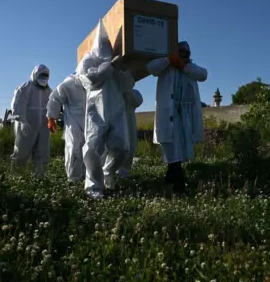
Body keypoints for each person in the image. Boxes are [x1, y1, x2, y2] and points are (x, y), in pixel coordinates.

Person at [77, 19, 134, 199]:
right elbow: (92, 79)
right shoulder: (88, 60)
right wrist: (111, 66)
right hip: (96, 114)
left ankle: (108, 173)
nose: (105, 48)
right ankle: (93, 188)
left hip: (116, 111)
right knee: (92, 149)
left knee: (121, 148)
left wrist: (123, 69)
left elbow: (128, 86)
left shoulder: (117, 62)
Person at [146, 41, 208, 193]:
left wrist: (184, 66)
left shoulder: (190, 68)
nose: (183, 55)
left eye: (186, 53)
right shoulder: (165, 66)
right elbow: (150, 68)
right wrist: (168, 60)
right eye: (180, 52)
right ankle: (178, 185)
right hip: (168, 113)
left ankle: (171, 179)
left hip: (184, 114)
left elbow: (203, 74)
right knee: (172, 148)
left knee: (179, 149)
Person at [10, 64, 52, 176]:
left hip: (43, 126)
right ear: (35, 75)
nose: (44, 78)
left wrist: (52, 120)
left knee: (42, 152)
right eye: (41, 75)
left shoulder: (48, 91)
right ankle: (17, 177)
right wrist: (22, 121)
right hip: (27, 125)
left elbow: (51, 107)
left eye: (46, 76)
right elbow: (17, 106)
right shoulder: (24, 88)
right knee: (21, 152)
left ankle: (39, 177)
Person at [46, 72, 86, 183]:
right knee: (74, 148)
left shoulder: (94, 82)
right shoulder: (69, 83)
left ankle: (87, 177)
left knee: (90, 148)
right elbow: (55, 98)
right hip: (73, 121)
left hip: (90, 120)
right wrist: (51, 117)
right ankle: (73, 178)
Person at [105, 88, 143, 179]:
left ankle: (124, 170)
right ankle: (109, 171)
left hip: (129, 123)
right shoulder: (111, 92)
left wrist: (127, 90)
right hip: (114, 123)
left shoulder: (133, 92)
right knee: (113, 148)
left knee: (130, 147)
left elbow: (138, 101)